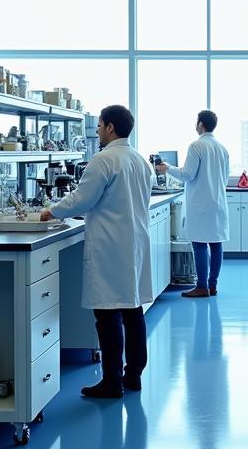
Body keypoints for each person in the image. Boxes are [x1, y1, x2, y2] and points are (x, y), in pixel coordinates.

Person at [41, 104, 154, 399]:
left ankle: (111, 381)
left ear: (111, 127)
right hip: (134, 243)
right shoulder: (140, 160)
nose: (98, 131)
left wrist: (51, 211)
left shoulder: (103, 160)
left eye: (100, 125)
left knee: (107, 315)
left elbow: (81, 200)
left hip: (110, 245)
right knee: (133, 312)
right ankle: (134, 376)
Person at [156, 110, 230, 299]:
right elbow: (225, 178)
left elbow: (187, 174)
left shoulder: (196, 146)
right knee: (216, 244)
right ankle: (212, 286)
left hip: (201, 204)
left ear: (200, 124)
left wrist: (167, 169)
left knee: (199, 244)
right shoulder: (222, 149)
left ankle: (201, 286)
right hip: (218, 203)